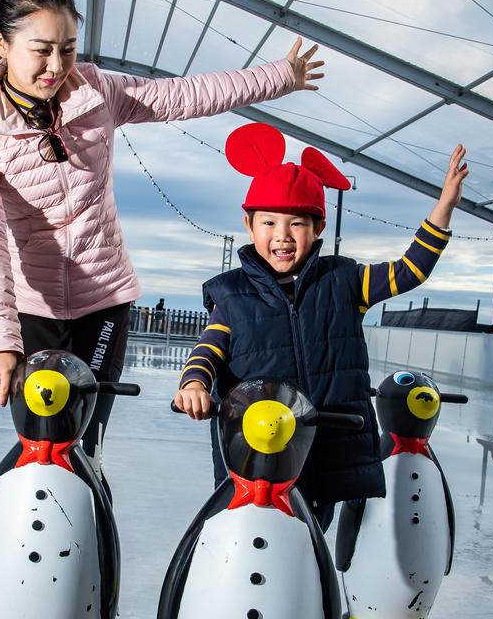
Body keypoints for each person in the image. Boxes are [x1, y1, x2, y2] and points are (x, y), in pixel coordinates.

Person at [0, 0, 323, 483]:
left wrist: (279, 76)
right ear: (0, 44)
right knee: (39, 436)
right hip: (32, 306)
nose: (57, 67)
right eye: (40, 50)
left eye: (68, 49)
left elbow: (184, 95)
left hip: (104, 299)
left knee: (85, 439)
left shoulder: (96, 92)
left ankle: (92, 533)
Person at [173, 122, 468, 531]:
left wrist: (444, 207)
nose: (283, 236)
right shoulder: (231, 294)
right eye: (270, 223)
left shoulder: (345, 281)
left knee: (309, 540)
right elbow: (207, 351)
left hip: (326, 448)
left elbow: (410, 271)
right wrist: (194, 386)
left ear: (318, 230)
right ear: (249, 225)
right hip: (256, 451)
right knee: (251, 538)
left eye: (297, 224)